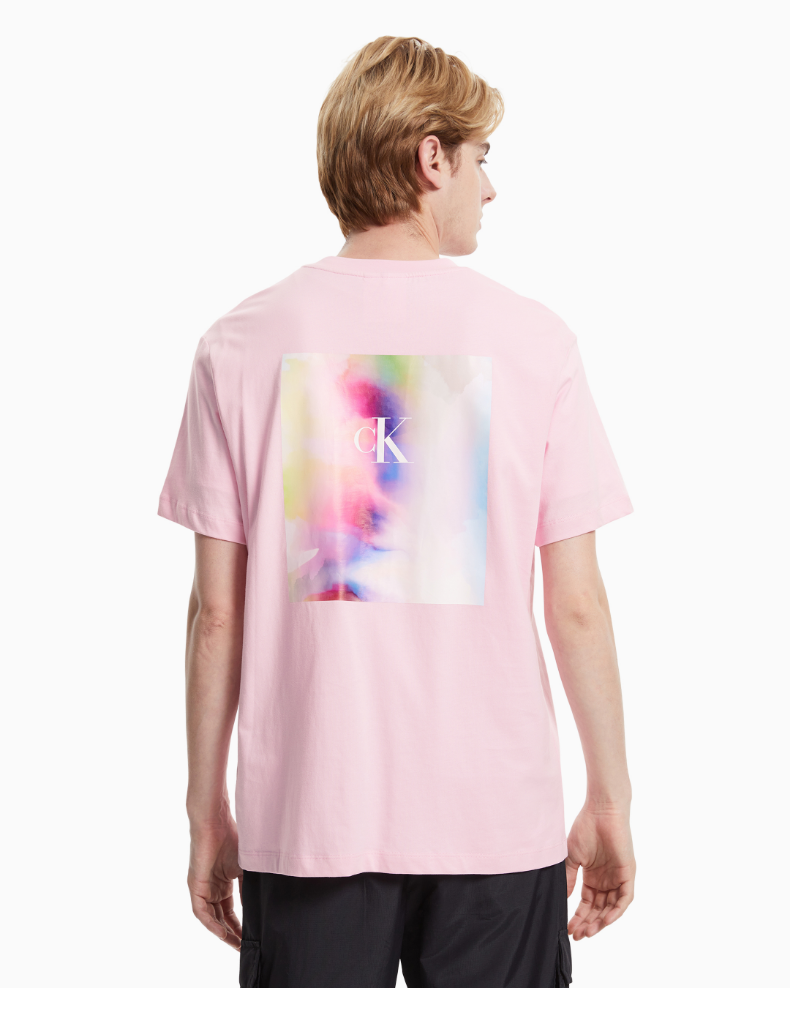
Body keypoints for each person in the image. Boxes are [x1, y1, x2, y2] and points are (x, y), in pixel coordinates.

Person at [158, 35, 636, 988]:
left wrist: (206, 811)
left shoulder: (239, 344)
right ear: (432, 159)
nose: (490, 188)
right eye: (481, 158)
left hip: (309, 821)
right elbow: (576, 604)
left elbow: (217, 613)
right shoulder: (534, 341)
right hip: (496, 823)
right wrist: (610, 799)